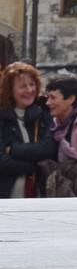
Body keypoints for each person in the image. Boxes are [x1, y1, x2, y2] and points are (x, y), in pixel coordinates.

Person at [0, 61, 54, 199]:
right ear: (9, 90)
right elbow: (2, 161)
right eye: (23, 86)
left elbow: (48, 149)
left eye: (32, 84)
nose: (29, 90)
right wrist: (35, 165)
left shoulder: (44, 113)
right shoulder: (3, 116)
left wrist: (13, 150)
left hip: (39, 193)